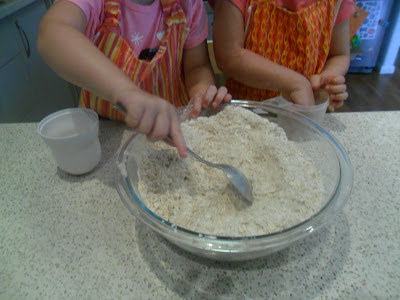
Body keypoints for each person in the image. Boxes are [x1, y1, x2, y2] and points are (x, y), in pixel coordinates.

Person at [37, 0, 232, 158]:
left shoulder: (188, 4)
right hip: (106, 139)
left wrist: (201, 89)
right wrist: (127, 93)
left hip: (169, 135)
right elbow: (53, 33)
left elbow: (196, 66)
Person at [211, 0, 355, 108]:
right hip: (248, 114)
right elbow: (229, 56)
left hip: (305, 114)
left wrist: (327, 80)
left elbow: (339, 55)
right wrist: (296, 84)